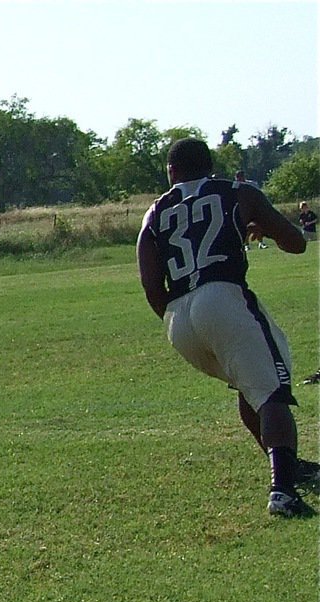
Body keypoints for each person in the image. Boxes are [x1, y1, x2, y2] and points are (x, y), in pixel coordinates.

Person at [137, 138, 312, 517]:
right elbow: (296, 242)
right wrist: (260, 227)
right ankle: (282, 488)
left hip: (177, 317)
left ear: (171, 172)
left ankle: (286, 465)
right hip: (222, 296)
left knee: (247, 382)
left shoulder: (155, 212)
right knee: (273, 392)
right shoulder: (237, 192)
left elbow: (151, 284)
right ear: (210, 165)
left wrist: (176, 319)